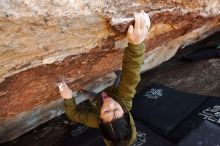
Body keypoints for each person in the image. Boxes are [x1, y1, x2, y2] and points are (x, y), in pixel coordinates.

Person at [57, 11, 151, 146]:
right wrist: (136, 45)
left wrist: (68, 98)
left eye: (106, 111)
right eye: (116, 110)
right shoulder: (125, 101)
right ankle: (117, 75)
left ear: (99, 118)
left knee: (91, 95)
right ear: (124, 111)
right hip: (116, 92)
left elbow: (73, 115)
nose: (110, 104)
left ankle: (82, 91)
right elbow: (132, 75)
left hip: (96, 101)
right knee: (121, 80)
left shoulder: (94, 120)